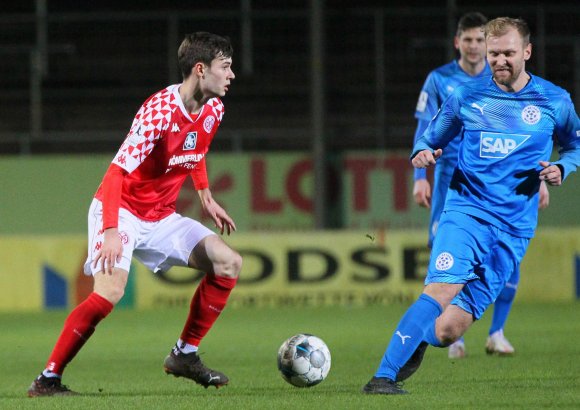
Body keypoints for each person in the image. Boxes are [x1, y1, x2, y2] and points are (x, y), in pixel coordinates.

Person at [363, 17, 580, 395]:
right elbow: (429, 137)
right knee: (442, 287)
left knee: (449, 331)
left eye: (508, 53)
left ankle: (417, 339)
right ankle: (383, 376)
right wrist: (422, 155)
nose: (500, 60)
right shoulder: (467, 95)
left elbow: (575, 145)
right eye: (494, 53)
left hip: (515, 226)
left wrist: (564, 166)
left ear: (527, 52)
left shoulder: (554, 101)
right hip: (466, 213)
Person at [28, 32, 241, 397]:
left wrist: (205, 196)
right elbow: (116, 173)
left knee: (228, 262)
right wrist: (111, 230)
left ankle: (184, 355)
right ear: (201, 69)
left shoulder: (214, 109)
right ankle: (48, 379)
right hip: (121, 210)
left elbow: (196, 149)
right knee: (110, 291)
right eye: (226, 66)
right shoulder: (158, 111)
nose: (232, 74)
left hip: (160, 217)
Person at [412, 12, 549, 360]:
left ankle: (496, 332)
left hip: (503, 183)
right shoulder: (440, 80)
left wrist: (540, 178)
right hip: (452, 181)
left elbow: (529, 136)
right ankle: (451, 332)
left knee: (507, 255)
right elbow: (424, 131)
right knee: (446, 258)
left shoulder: (507, 83)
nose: (474, 47)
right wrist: (419, 178)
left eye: (480, 41)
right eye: (469, 40)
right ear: (458, 42)